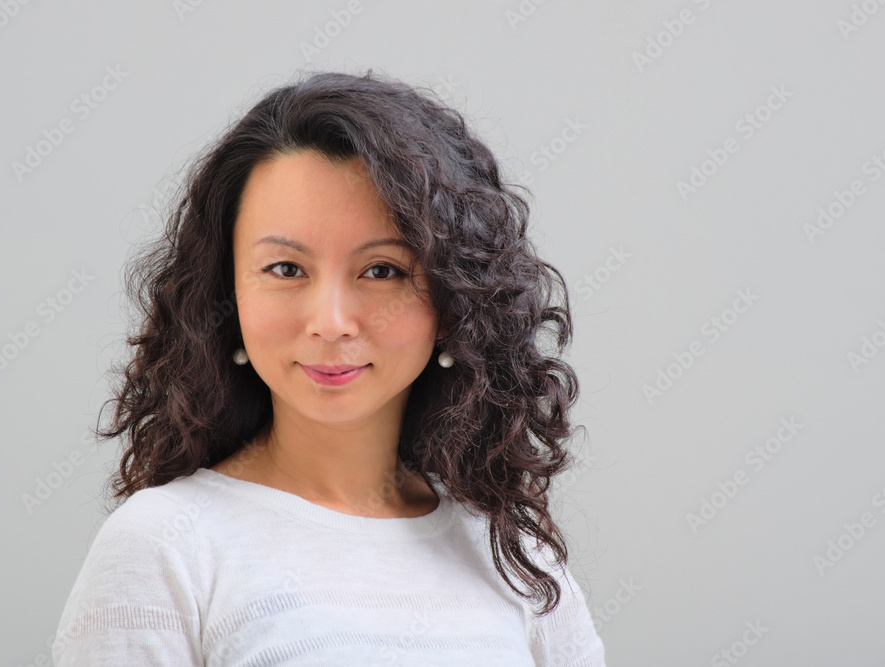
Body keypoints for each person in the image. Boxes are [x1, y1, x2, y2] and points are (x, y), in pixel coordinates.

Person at [53, 69, 606, 666]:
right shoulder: (163, 547)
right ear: (226, 295)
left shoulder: (515, 554)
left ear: (454, 303)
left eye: (382, 271)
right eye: (286, 269)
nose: (331, 322)